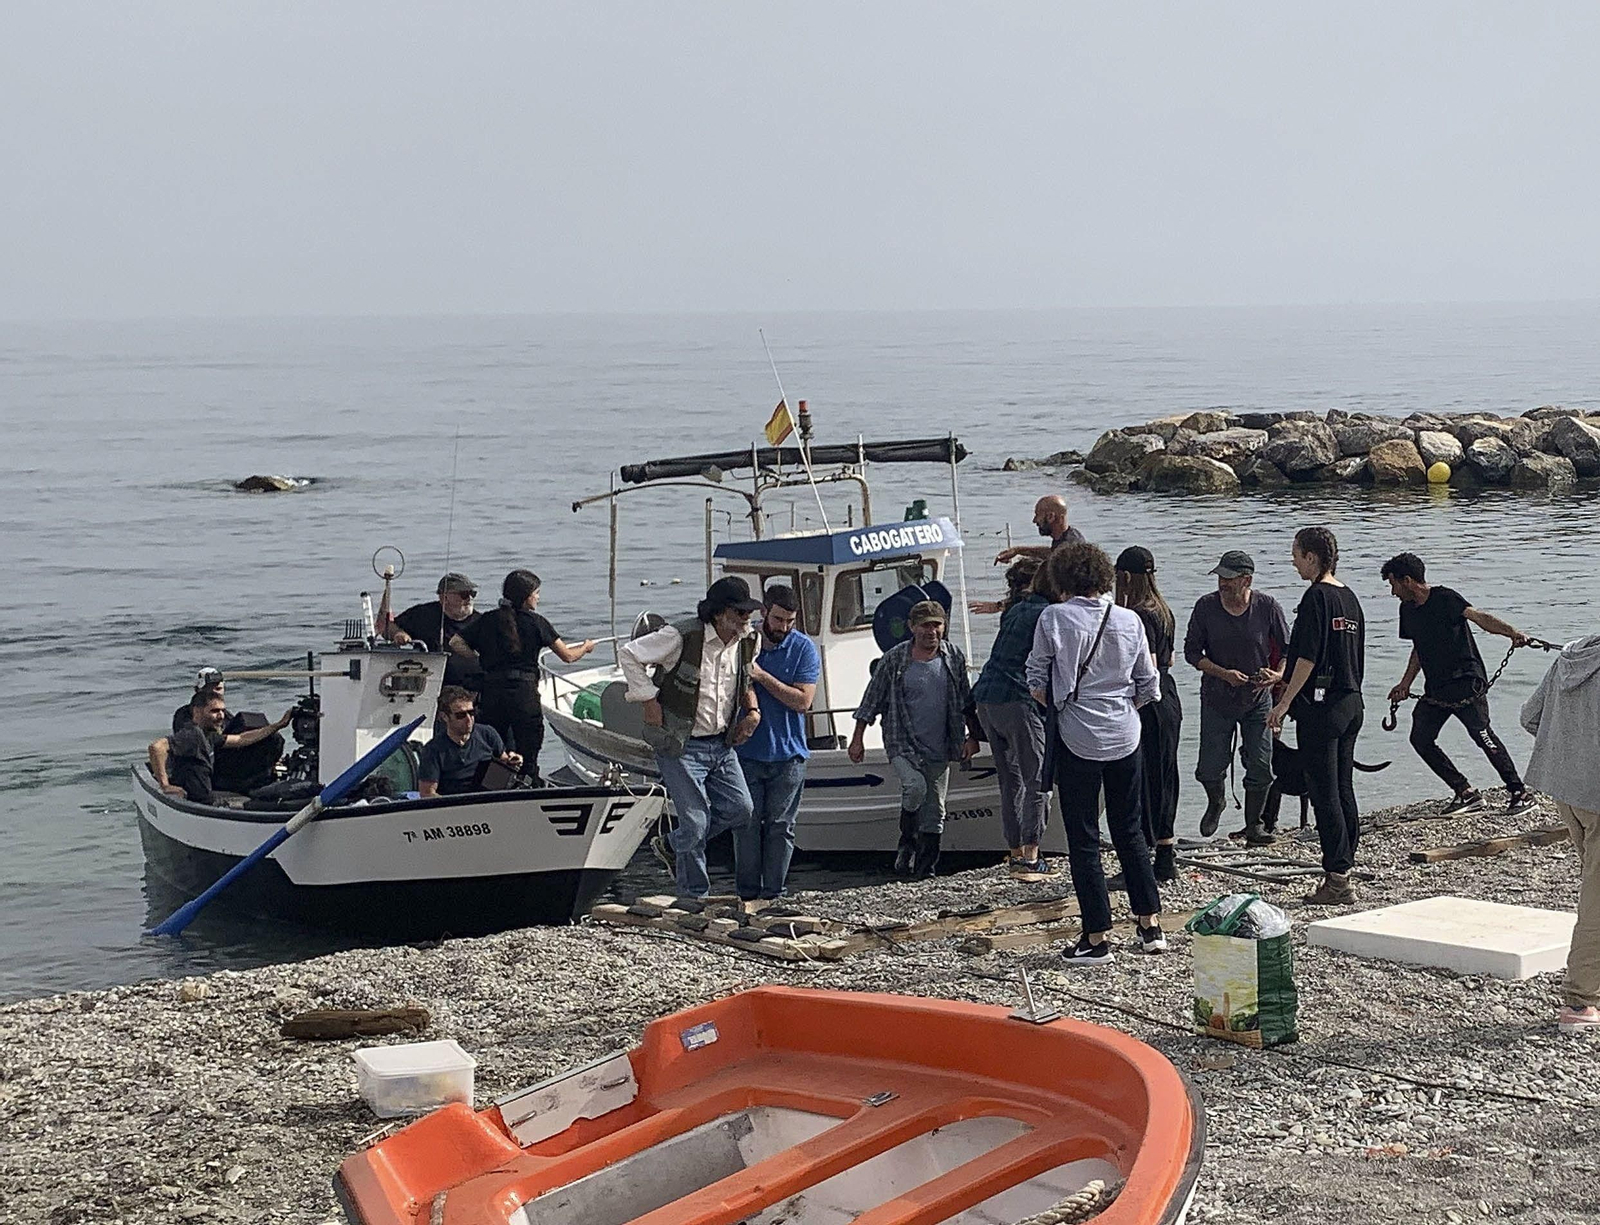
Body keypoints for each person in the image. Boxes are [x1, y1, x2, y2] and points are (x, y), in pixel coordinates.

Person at [1027, 543, 1166, 965]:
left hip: (1078, 735)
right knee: (1130, 829)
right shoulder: (1129, 619)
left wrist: (1061, 701)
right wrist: (1122, 706)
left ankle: (1096, 936)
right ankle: (1150, 925)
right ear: (1105, 576)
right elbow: (1149, 684)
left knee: (1084, 836)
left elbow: (1036, 678)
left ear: (1063, 579)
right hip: (1125, 733)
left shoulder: (1053, 617)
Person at [619, 576, 763, 898]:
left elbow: (745, 680)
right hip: (680, 744)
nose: (747, 619)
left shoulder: (748, 641)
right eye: (740, 612)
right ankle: (694, 896)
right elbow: (629, 654)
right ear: (719, 613)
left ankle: (672, 845)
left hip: (721, 744)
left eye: (749, 612)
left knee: (741, 809)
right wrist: (649, 701)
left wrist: (753, 712)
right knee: (695, 823)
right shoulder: (681, 636)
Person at [1380, 552, 1537, 818]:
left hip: (1466, 682)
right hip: (1437, 689)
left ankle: (1520, 792)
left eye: (1393, 584)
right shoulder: (1407, 610)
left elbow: (1479, 617)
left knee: (1482, 736)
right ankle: (1465, 792)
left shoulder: (1445, 598)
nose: (1392, 592)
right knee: (1420, 738)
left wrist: (1513, 633)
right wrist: (1404, 684)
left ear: (1407, 580)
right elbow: (1419, 648)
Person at [849, 600, 981, 878]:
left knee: (936, 811)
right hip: (902, 740)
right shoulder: (895, 659)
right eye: (924, 625)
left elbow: (965, 699)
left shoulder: (953, 656)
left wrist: (973, 736)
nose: (931, 631)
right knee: (915, 786)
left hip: (941, 744)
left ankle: (925, 870)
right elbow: (872, 699)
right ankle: (907, 840)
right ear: (912, 627)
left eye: (936, 625)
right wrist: (857, 738)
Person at [1270, 527, 1366, 905]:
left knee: (1324, 793)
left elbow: (1308, 658)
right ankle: (1345, 865)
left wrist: (1283, 704)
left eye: (1296, 555)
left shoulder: (1316, 597)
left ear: (1311, 557)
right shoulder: (1349, 598)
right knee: (1343, 788)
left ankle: (1337, 879)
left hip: (1322, 708)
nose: (1293, 562)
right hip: (1351, 701)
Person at [1520, 634, 1600, 1033]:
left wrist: (1574, 750)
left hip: (1567, 791)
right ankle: (1580, 1001)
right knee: (1597, 903)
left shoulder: (1574, 653)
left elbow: (1529, 717)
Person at [1183, 549, 1290, 841]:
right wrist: (1222, 673)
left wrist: (1277, 675)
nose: (1223, 583)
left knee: (1261, 763)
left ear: (1247, 580)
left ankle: (1254, 824)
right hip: (1217, 697)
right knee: (1209, 767)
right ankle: (1216, 801)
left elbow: (1288, 649)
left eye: (1229, 578)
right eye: (1220, 577)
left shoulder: (1267, 606)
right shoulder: (1205, 607)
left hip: (1257, 698)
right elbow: (1192, 652)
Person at [454, 569, 595, 784]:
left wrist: (478, 657)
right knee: (528, 749)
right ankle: (528, 785)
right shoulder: (537, 622)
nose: (538, 597)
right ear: (526, 596)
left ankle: (493, 788)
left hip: (492, 692)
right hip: (523, 694)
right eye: (536, 593)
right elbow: (567, 656)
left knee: (494, 749)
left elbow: (456, 642)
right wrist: (585, 647)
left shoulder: (489, 619)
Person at [733, 585, 821, 901]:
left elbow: (802, 701)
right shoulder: (745, 642)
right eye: (778, 619)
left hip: (789, 754)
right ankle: (746, 895)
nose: (784, 627)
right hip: (747, 752)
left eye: (790, 621)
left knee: (781, 826)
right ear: (764, 612)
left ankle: (774, 895)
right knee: (746, 826)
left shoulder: (803, 648)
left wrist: (761, 676)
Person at [971, 558, 1052, 874]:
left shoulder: (1014, 610)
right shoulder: (1047, 612)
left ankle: (1015, 850)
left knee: (1010, 779)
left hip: (986, 696)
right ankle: (1031, 856)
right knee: (1038, 777)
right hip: (1017, 697)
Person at [1115, 546, 1185, 879]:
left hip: (1149, 701)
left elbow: (1150, 665)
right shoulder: (1163, 609)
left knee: (1143, 778)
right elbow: (1169, 659)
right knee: (1166, 774)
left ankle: (1145, 855)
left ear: (1126, 577)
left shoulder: (1138, 615)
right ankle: (1164, 851)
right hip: (1169, 695)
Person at [159, 668, 288, 794]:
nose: (215, 693)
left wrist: (277, 726)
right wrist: (165, 785)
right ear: (198, 691)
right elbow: (162, 747)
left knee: (269, 736)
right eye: (210, 689)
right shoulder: (186, 716)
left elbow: (240, 738)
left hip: (227, 761)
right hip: (203, 768)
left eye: (218, 689)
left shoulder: (223, 715)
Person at [971, 495, 1086, 611]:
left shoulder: (1067, 551)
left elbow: (1045, 589)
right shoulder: (1070, 537)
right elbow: (1052, 552)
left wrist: (999, 606)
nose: (1034, 521)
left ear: (1050, 517)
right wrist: (1018, 550)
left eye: (1037, 515)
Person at [417, 686, 523, 797]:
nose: (469, 719)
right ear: (445, 717)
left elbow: (504, 762)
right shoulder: (433, 750)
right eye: (461, 715)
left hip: (490, 799)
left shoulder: (487, 734)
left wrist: (514, 760)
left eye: (471, 713)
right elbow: (427, 793)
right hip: (457, 802)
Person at [383, 573, 483, 689]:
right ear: (444, 598)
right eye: (464, 594)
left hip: (477, 686)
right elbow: (387, 627)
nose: (470, 599)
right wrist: (398, 633)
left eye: (472, 594)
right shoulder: (424, 615)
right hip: (439, 687)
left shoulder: (482, 622)